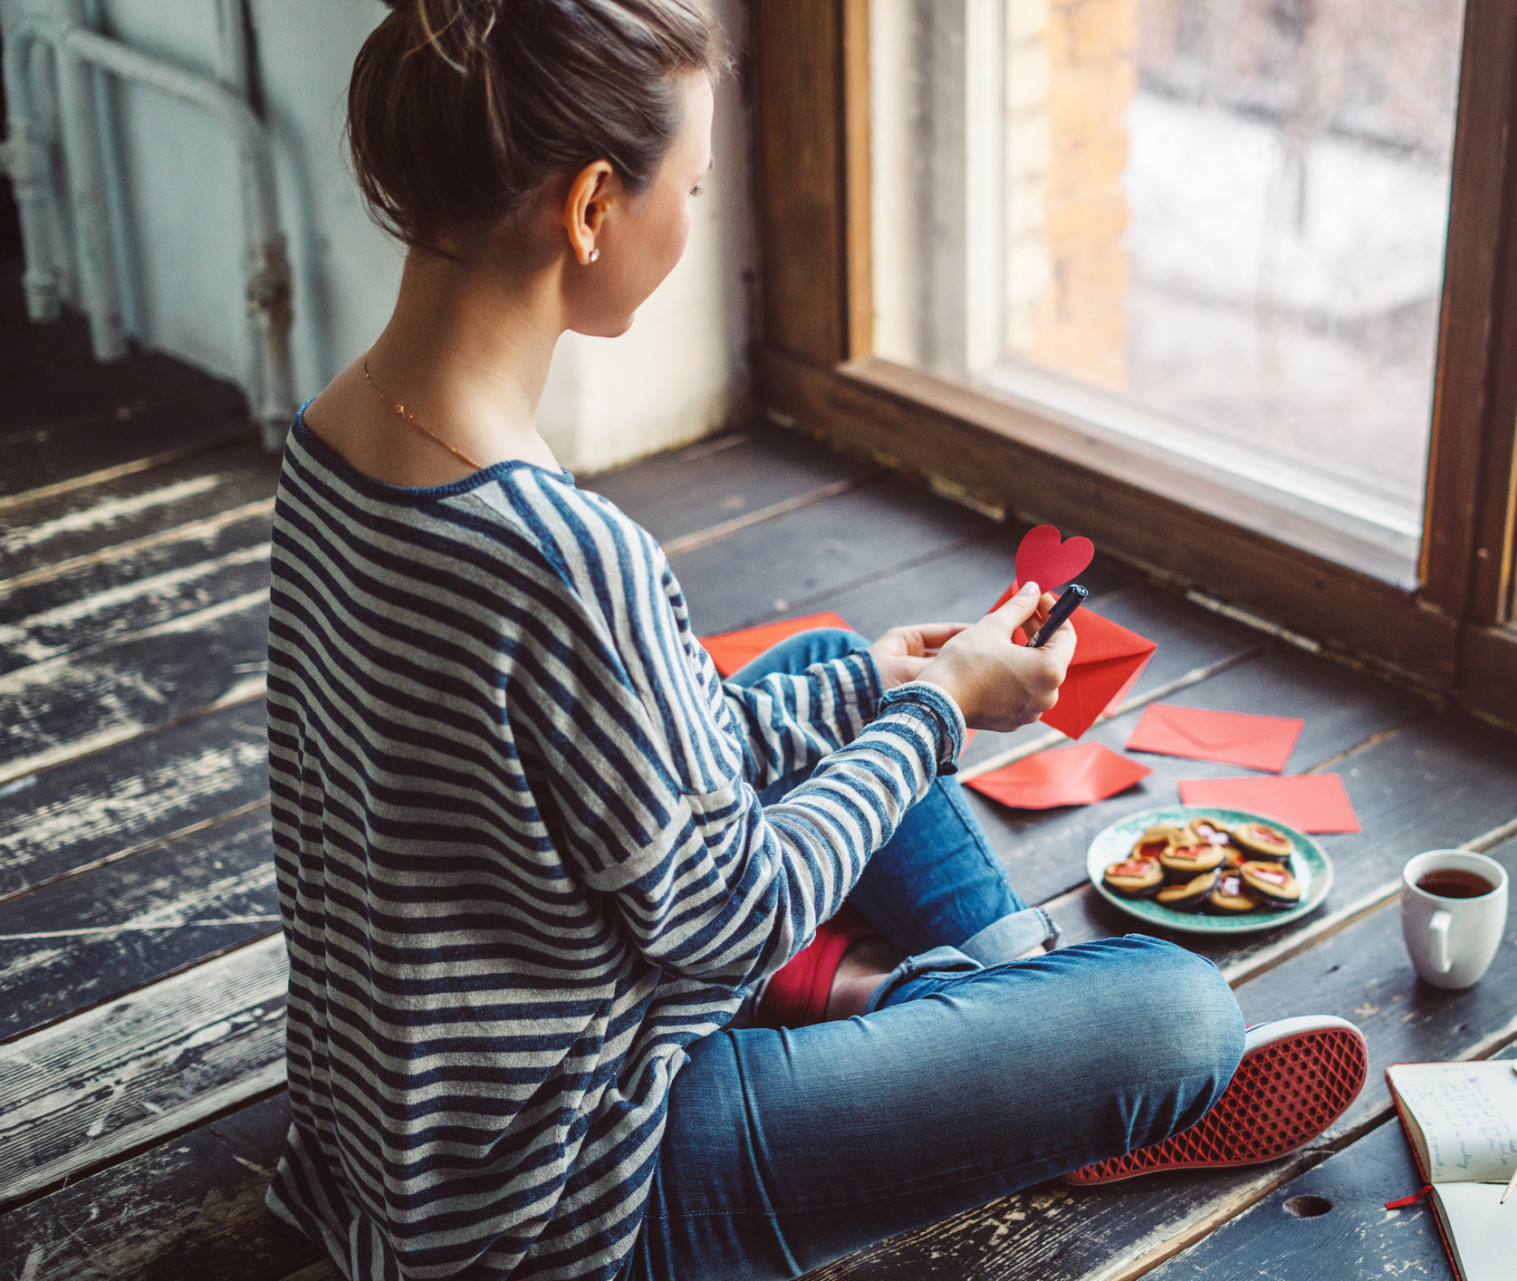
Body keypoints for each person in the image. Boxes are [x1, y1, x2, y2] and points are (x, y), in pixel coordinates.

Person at [263, 2, 1367, 1278]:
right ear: (588, 212)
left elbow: (591, 780)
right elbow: (735, 921)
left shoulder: (332, 440)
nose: (694, 212)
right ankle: (1015, 1036)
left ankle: (999, 1016)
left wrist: (881, 685)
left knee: (816, 672)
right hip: (572, 1206)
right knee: (1179, 1017)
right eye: (692, 184)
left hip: (397, 1143)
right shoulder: (564, 556)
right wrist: (942, 707)